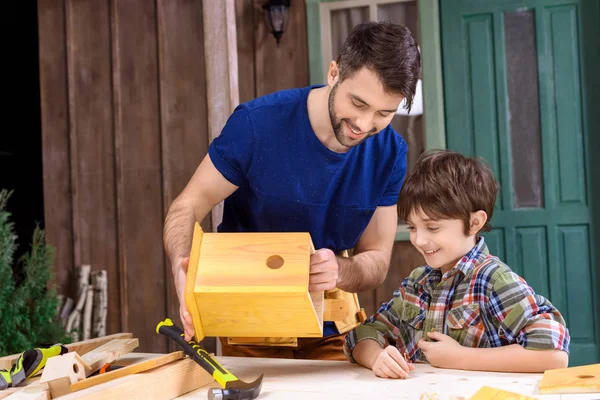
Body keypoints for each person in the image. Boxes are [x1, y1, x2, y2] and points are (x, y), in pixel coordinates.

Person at [162, 21, 421, 360]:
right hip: (247, 324)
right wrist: (183, 277)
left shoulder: (390, 153)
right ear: (333, 73)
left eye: (383, 114)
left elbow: (377, 258)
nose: (364, 124)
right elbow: (187, 206)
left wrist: (340, 270)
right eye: (358, 104)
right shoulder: (257, 124)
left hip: (332, 328)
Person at [343, 150, 570, 376]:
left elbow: (554, 354)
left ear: (474, 222)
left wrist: (459, 357)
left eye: (432, 227)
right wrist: (376, 357)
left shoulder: (492, 281)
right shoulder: (416, 283)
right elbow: (362, 335)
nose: (419, 240)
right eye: (412, 227)